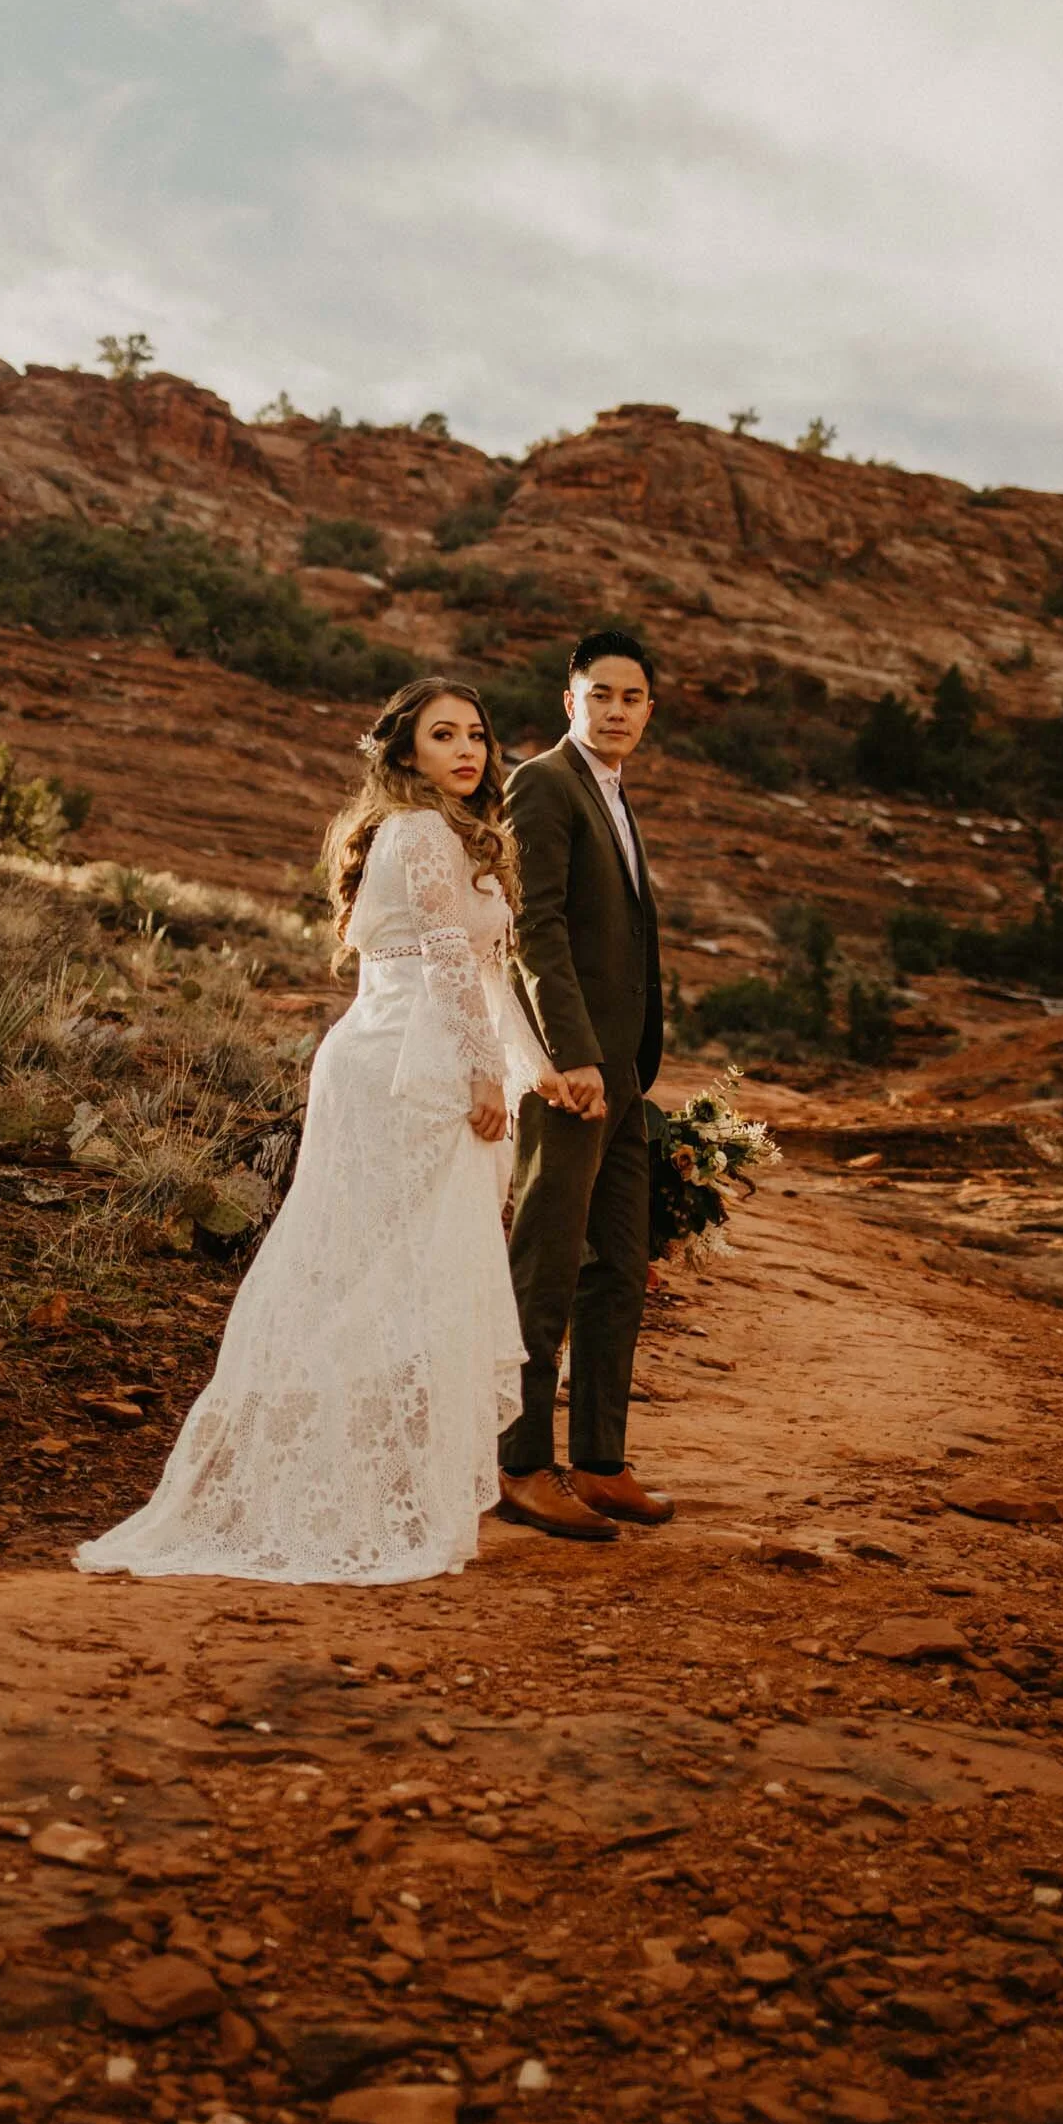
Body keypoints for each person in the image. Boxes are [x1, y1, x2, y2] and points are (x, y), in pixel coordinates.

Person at [76, 681, 570, 1587]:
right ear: (406, 752)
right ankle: (337, 1484)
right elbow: (446, 958)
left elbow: (488, 973)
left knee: (411, 1273)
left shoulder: (456, 834)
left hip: (426, 1057)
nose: (468, 749)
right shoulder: (418, 832)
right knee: (381, 1272)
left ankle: (383, 1487)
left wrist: (534, 1071)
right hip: (404, 1070)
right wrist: (479, 1074)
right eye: (444, 735)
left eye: (476, 734)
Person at [496, 629, 669, 1543]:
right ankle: (521, 1464)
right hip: (570, 1073)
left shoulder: (614, 792)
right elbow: (536, 928)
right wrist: (570, 1056)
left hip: (624, 1073)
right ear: (570, 701)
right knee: (547, 1263)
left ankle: (601, 1462)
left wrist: (627, 1064)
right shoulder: (543, 782)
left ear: (649, 710)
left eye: (631, 697)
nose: (616, 711)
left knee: (619, 1269)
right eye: (600, 694)